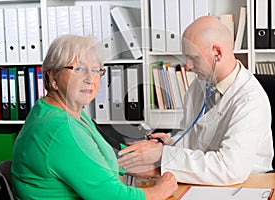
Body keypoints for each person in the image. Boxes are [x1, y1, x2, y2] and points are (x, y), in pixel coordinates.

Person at [11, 35, 177, 200]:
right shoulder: (60, 129)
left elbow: (98, 159)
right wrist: (161, 190)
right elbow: (111, 196)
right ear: (52, 77)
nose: (90, 79)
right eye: (79, 69)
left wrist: (153, 167)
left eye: (96, 70)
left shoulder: (63, 111)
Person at [118, 16, 274, 185]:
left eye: (194, 58)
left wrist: (163, 154)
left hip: (247, 185)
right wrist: (170, 143)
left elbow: (229, 169)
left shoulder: (250, 100)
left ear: (217, 53)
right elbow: (193, 138)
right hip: (203, 183)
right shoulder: (199, 85)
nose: (188, 66)